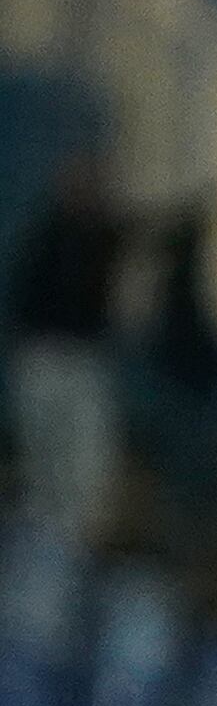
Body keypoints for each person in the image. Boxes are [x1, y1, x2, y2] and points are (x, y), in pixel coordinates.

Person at [9, 153, 128, 549]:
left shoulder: (103, 238)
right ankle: (47, 550)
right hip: (43, 358)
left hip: (83, 361)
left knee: (86, 472)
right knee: (44, 473)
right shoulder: (44, 237)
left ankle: (73, 551)